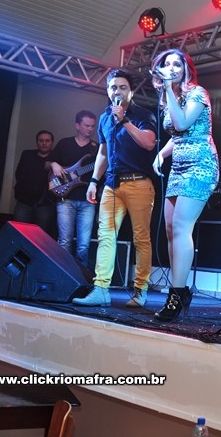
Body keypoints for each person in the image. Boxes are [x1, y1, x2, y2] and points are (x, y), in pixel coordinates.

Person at [72, 69, 157, 308]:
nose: (117, 91)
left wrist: (125, 121)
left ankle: (140, 290)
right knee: (106, 236)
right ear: (107, 91)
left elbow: (149, 143)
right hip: (111, 184)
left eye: (122, 87)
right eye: (113, 87)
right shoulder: (104, 118)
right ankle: (101, 289)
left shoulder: (143, 114)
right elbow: (103, 152)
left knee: (141, 238)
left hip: (139, 182)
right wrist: (93, 181)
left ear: (130, 91)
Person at [150, 49, 219, 323]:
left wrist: (168, 88)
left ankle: (176, 295)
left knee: (181, 227)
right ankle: (181, 290)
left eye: (176, 64)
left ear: (186, 69)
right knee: (170, 230)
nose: (171, 68)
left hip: (200, 165)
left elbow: (181, 123)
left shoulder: (198, 94)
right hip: (178, 167)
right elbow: (176, 135)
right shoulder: (173, 97)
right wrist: (161, 154)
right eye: (166, 64)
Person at [46, 111, 98, 269]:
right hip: (65, 199)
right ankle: (62, 273)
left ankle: (81, 277)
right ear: (77, 125)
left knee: (84, 245)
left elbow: (101, 170)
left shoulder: (96, 148)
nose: (90, 129)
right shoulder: (65, 143)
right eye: (87, 125)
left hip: (87, 201)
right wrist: (53, 164)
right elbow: (46, 164)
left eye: (93, 126)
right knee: (64, 241)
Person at [13, 130, 56, 237]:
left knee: (40, 237)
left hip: (45, 204)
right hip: (24, 202)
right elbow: (19, 174)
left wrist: (52, 164)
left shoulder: (56, 158)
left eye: (47, 141)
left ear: (52, 143)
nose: (44, 143)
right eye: (41, 140)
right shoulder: (27, 155)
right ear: (37, 142)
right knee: (19, 234)